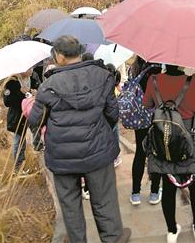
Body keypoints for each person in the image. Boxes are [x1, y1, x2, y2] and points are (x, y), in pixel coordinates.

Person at [28, 36, 131, 243]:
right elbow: (113, 113)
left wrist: (40, 137)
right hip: (98, 153)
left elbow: (34, 121)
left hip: (62, 157)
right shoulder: (102, 76)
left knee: (70, 206)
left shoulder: (48, 86)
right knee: (105, 201)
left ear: (59, 56)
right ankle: (112, 238)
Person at [143, 65, 195, 243]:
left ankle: (171, 230)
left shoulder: (153, 80)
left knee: (168, 186)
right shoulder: (194, 81)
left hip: (164, 140)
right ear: (181, 64)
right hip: (190, 140)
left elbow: (146, 104)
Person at [127, 56, 162, 206]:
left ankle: (135, 193)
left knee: (140, 154)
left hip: (139, 118)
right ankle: (154, 193)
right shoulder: (157, 71)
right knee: (156, 153)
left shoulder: (134, 69)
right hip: (156, 118)